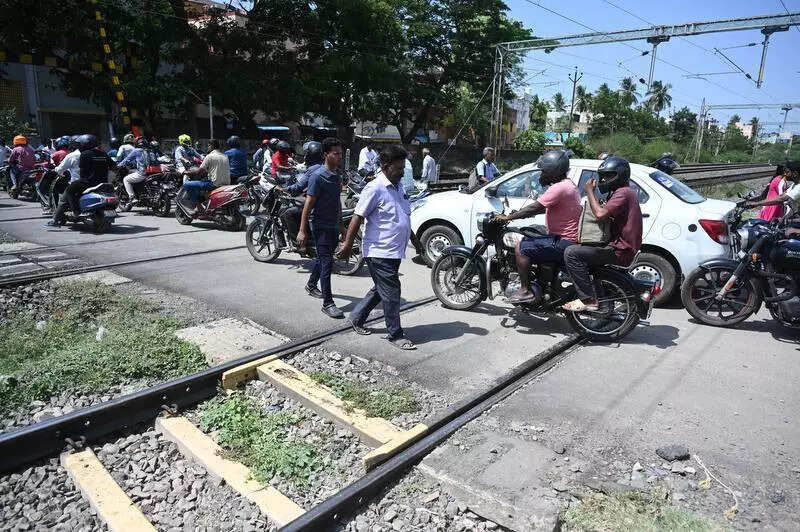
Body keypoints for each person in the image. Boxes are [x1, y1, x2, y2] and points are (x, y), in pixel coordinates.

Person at [339, 145, 415, 350]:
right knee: (391, 291)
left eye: (403, 168)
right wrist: (347, 244)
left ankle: (356, 317)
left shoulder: (398, 186)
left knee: (382, 289)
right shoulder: (374, 188)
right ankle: (395, 334)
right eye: (398, 168)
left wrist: (416, 242)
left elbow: (404, 216)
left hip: (395, 250)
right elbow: (357, 217)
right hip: (378, 250)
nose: (401, 172)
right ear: (384, 166)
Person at [495, 150, 582, 303]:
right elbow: (543, 208)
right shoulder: (569, 185)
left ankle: (525, 290)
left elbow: (535, 207)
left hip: (562, 240)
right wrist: (520, 214)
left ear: (552, 171)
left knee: (521, 248)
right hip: (567, 239)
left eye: (543, 171)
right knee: (531, 235)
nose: (541, 174)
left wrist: (508, 217)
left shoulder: (558, 188)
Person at [562, 156, 643, 312]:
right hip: (619, 246)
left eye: (608, 176)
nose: (604, 180)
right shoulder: (622, 192)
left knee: (571, 253)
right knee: (580, 248)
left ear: (620, 175)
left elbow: (600, 214)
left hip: (620, 250)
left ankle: (588, 299)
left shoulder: (623, 193)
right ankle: (600, 298)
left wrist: (589, 191)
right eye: (603, 176)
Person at [297, 137, 344, 319]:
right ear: (326, 155)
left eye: (340, 153)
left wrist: (341, 227)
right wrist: (302, 230)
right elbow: (308, 204)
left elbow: (336, 204)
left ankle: (311, 284)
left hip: (333, 224)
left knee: (323, 258)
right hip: (320, 225)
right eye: (336, 154)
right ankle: (328, 303)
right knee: (327, 263)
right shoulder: (318, 176)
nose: (339, 157)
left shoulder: (336, 175)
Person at [46, 135, 111, 226]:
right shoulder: (103, 153)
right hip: (102, 181)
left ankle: (61, 217)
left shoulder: (81, 155)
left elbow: (81, 171)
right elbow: (113, 166)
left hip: (85, 182)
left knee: (66, 194)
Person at [276, 141, 323, 247]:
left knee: (288, 213)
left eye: (307, 153)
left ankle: (299, 244)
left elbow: (298, 187)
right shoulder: (323, 166)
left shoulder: (312, 169)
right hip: (324, 201)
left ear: (311, 155)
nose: (305, 156)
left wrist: (285, 189)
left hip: (315, 203)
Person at [181, 139, 230, 211]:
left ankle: (197, 206)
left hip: (214, 184)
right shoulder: (225, 156)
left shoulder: (209, 156)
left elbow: (199, 172)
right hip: (226, 183)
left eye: (208, 146)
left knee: (186, 184)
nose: (208, 148)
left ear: (211, 146)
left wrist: (186, 172)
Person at [120, 137, 155, 204]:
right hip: (152, 173)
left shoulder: (136, 150)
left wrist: (119, 165)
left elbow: (127, 159)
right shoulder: (150, 150)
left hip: (143, 173)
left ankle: (132, 197)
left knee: (126, 179)